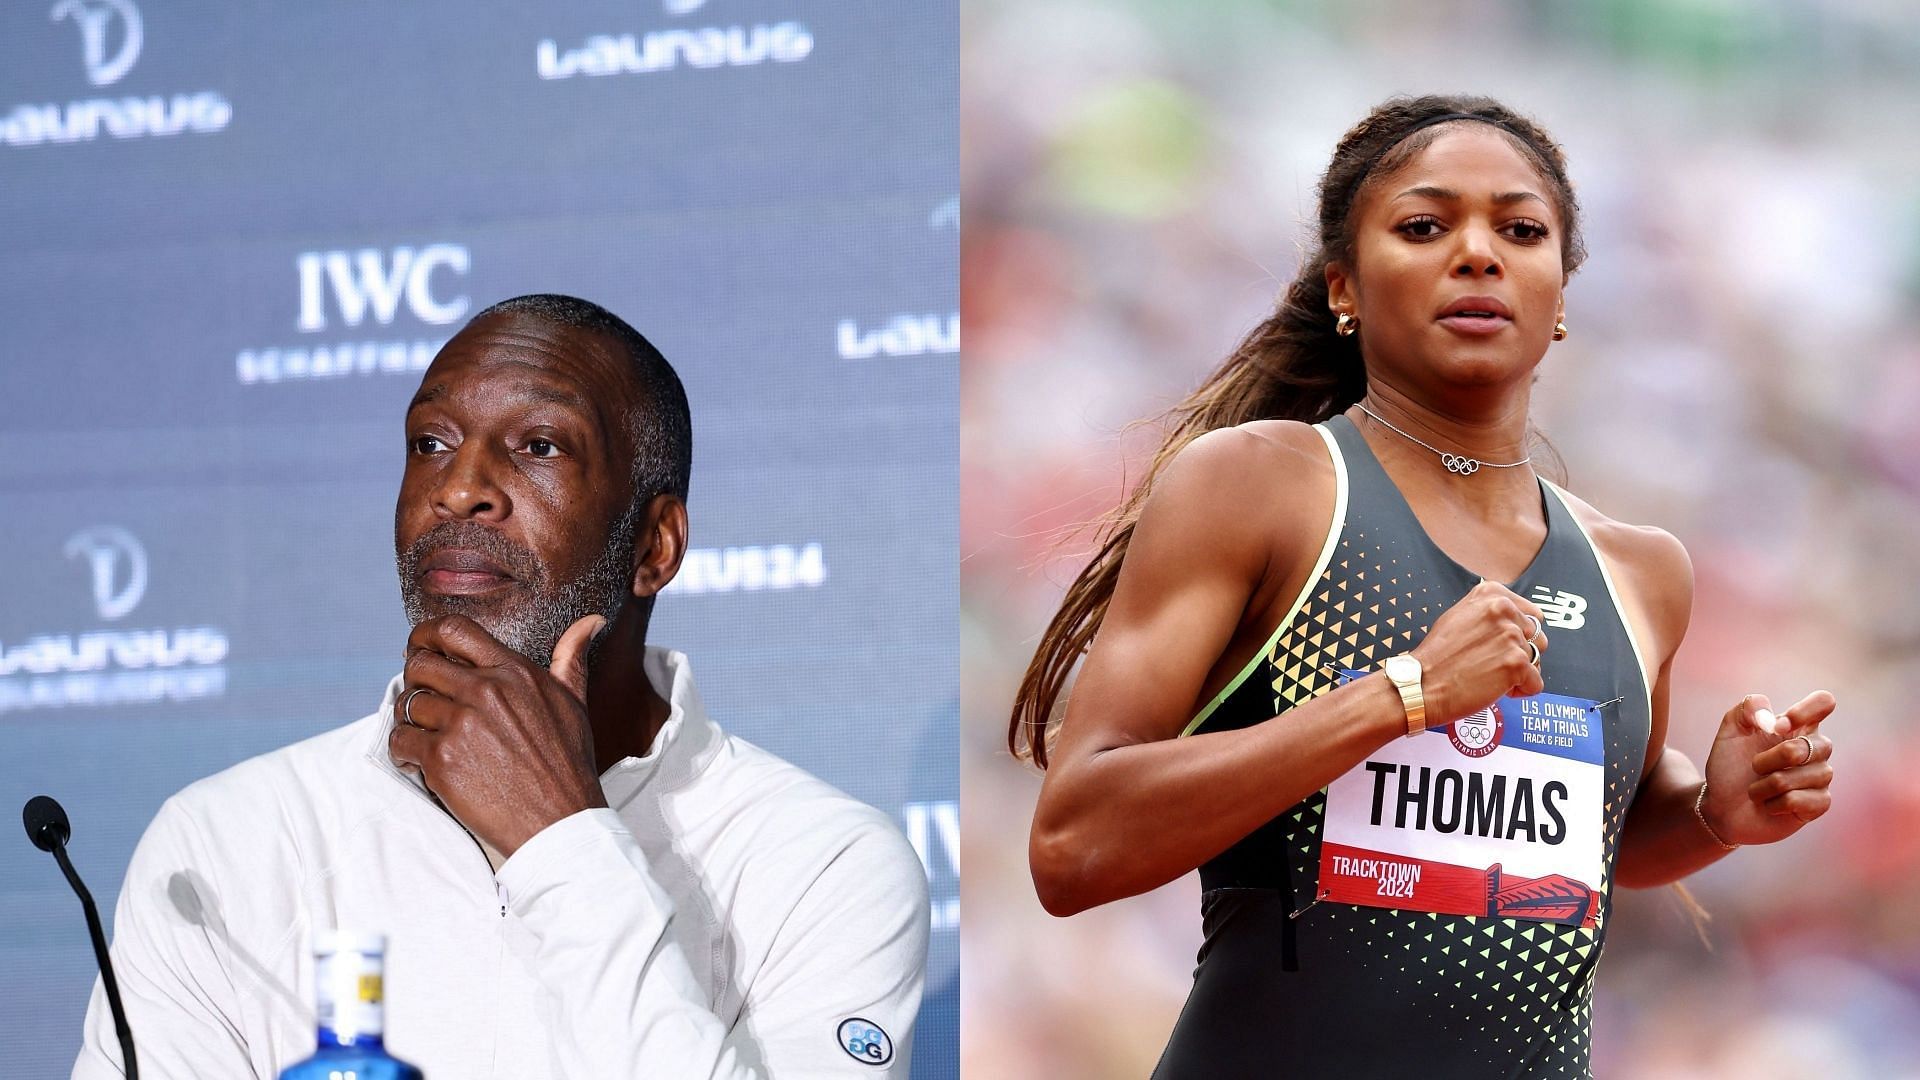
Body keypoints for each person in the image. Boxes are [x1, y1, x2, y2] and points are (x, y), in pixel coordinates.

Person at [1008, 95, 1838, 1077]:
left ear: (1561, 293)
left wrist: (1711, 817)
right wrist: (1404, 696)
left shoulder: (1640, 569)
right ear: (1344, 287)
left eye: (1521, 230)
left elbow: (1587, 849)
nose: (1479, 254)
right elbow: (1075, 845)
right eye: (1425, 225)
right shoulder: (1261, 486)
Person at [74, 294, 929, 1078]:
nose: (459, 489)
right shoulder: (222, 845)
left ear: (655, 546)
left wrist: (563, 839)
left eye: (539, 446)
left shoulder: (824, 865)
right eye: (431, 444)